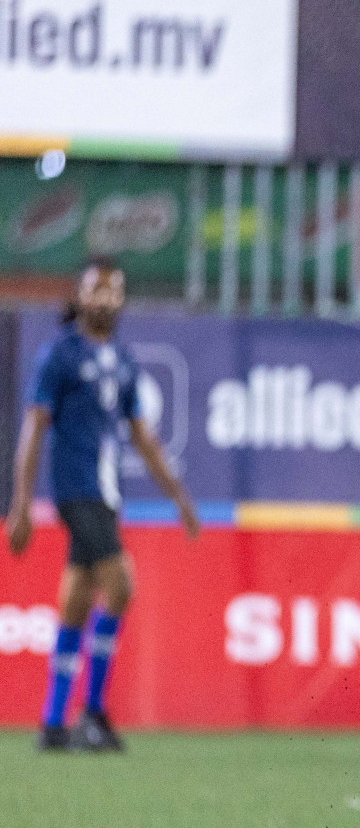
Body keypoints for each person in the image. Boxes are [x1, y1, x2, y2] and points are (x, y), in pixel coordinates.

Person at [6, 258, 199, 752]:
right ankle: (92, 713)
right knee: (121, 584)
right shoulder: (60, 355)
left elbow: (144, 438)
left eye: (115, 290)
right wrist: (22, 501)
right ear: (80, 295)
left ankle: (52, 723)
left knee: (76, 599)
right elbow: (34, 427)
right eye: (97, 289)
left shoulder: (126, 361)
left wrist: (178, 497)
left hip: (107, 494)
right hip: (76, 491)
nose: (107, 298)